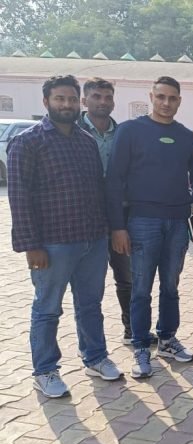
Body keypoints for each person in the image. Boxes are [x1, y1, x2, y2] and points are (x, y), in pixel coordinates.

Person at [8, 75, 122, 397]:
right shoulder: (28, 142)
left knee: (90, 304)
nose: (67, 105)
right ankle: (45, 370)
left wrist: (105, 233)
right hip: (52, 244)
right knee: (47, 309)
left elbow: (97, 190)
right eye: (60, 99)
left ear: (79, 102)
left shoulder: (85, 142)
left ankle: (95, 357)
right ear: (46, 102)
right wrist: (31, 246)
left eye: (71, 99)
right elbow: (19, 197)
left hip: (92, 240)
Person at [106, 76, 193, 379]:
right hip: (141, 222)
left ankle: (167, 339)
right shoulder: (130, 131)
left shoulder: (186, 137)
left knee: (171, 286)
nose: (166, 103)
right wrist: (117, 226)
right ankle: (140, 347)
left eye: (172, 98)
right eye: (161, 97)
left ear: (179, 101)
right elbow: (114, 180)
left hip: (177, 223)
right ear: (151, 97)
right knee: (140, 288)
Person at [76, 77, 148, 346]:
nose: (103, 102)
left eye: (108, 97)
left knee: (128, 277)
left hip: (121, 217)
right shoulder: (73, 132)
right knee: (89, 286)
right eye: (96, 96)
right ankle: (92, 345)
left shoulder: (123, 134)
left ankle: (132, 330)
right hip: (86, 219)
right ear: (85, 100)